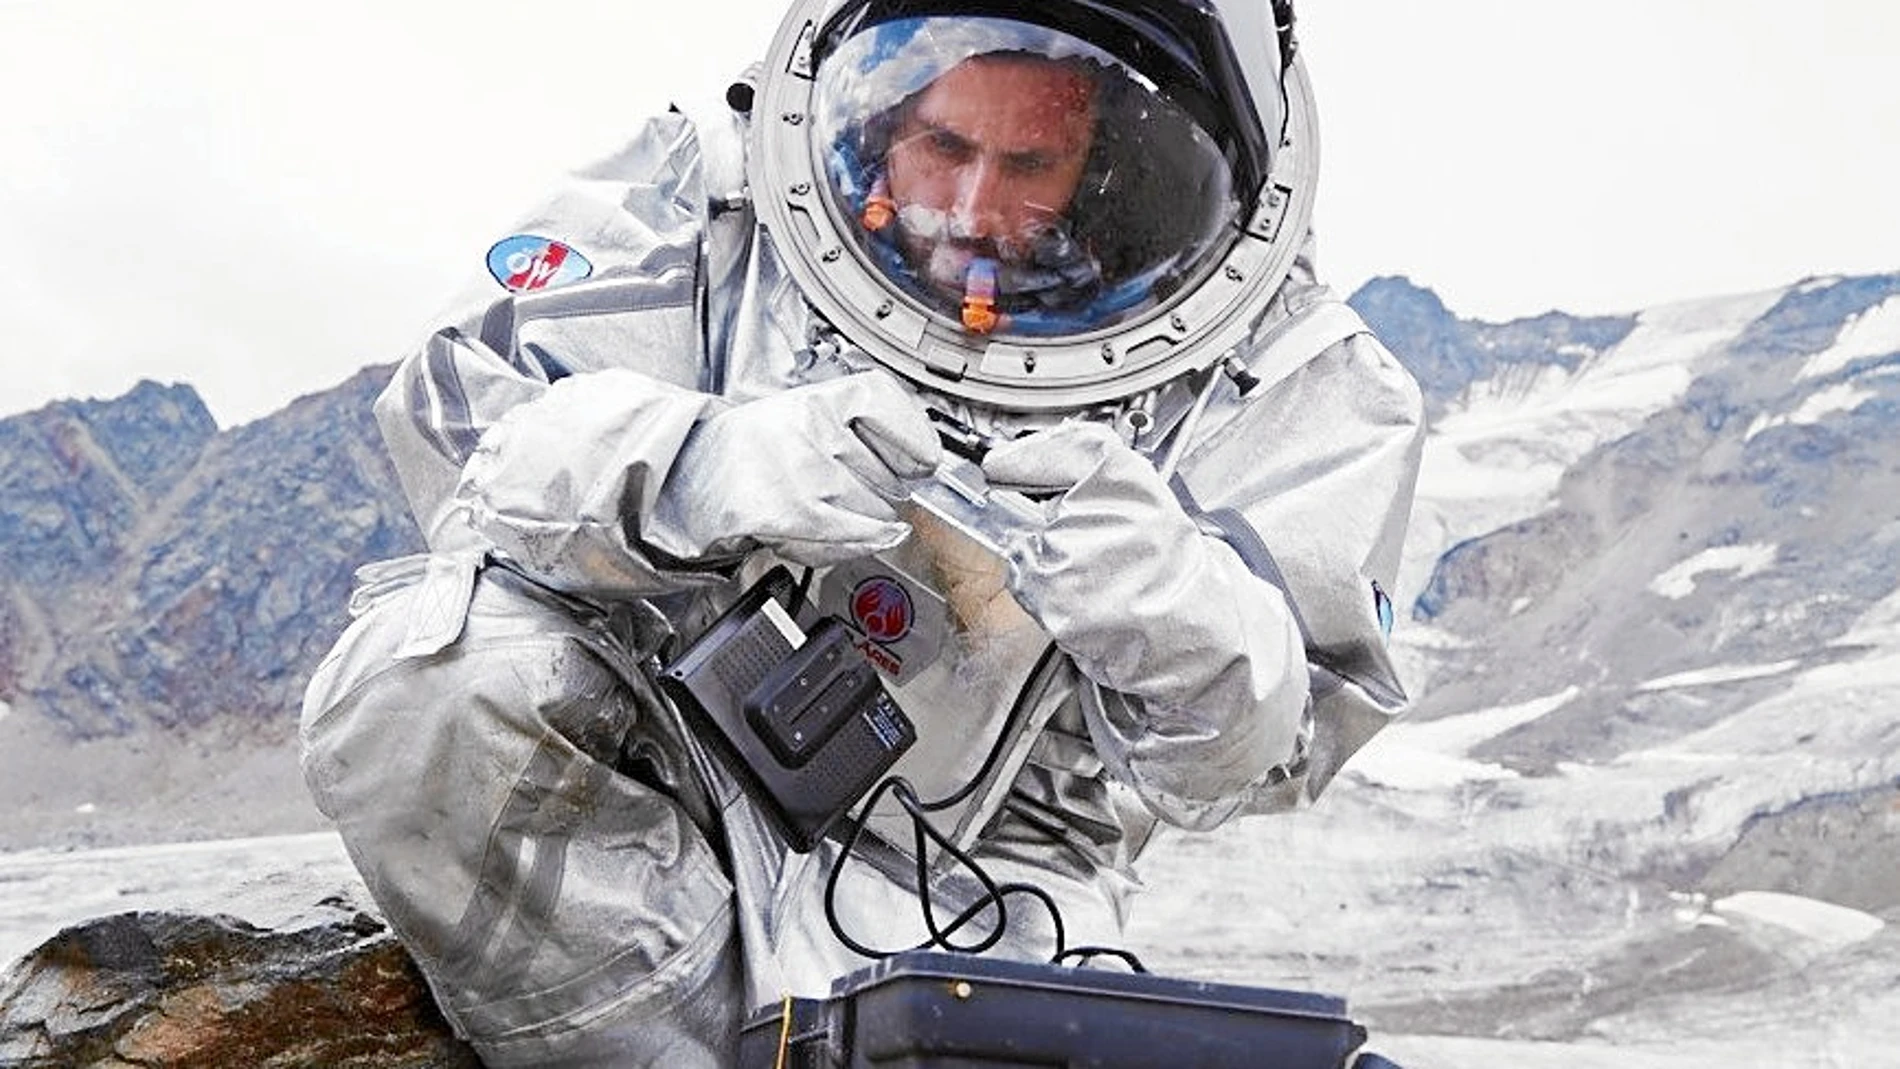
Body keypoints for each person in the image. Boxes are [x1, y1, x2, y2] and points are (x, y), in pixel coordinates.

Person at [300, 2, 1424, 1065]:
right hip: (656, 766)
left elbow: (1266, 752)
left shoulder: (1283, 375)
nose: (974, 207)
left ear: (1115, 159)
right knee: (430, 676)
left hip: (987, 897)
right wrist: (702, 466)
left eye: (1031, 165)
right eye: (941, 145)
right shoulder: (719, 197)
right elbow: (461, 420)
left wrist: (1181, 613)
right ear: (878, 107)